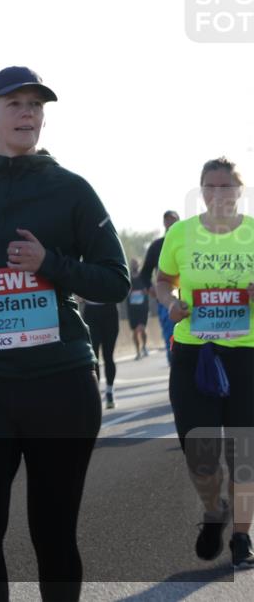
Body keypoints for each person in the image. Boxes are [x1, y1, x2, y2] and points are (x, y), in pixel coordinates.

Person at [0, 66, 130, 600]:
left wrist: (52, 262)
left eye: (36, 105)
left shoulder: (72, 190)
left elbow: (115, 279)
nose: (27, 113)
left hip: (60, 382)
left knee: (53, 533)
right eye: (14, 103)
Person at [155, 157, 254, 569]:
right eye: (210, 187)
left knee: (245, 452)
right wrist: (171, 303)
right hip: (194, 353)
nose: (218, 195)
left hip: (245, 353)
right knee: (198, 448)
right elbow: (163, 281)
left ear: (239, 191)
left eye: (226, 187)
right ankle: (214, 508)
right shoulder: (181, 234)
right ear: (201, 190)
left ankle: (243, 537)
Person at [140, 210, 181, 364]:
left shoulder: (188, 242)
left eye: (174, 220)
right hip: (167, 300)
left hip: (189, 297)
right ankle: (175, 370)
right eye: (168, 220)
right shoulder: (157, 246)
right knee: (171, 337)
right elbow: (144, 273)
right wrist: (151, 289)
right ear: (164, 223)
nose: (171, 223)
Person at [82, 298, 119, 409]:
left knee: (108, 355)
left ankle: (109, 392)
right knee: (93, 357)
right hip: (90, 311)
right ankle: (95, 396)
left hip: (109, 310)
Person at [126, 258, 150, 360]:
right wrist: (128, 291)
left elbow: (149, 289)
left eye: (135, 264)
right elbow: (124, 291)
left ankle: (144, 346)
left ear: (138, 265)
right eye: (132, 264)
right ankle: (138, 351)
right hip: (132, 309)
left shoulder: (143, 277)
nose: (134, 266)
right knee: (135, 331)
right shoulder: (127, 277)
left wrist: (145, 291)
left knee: (141, 329)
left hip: (142, 307)